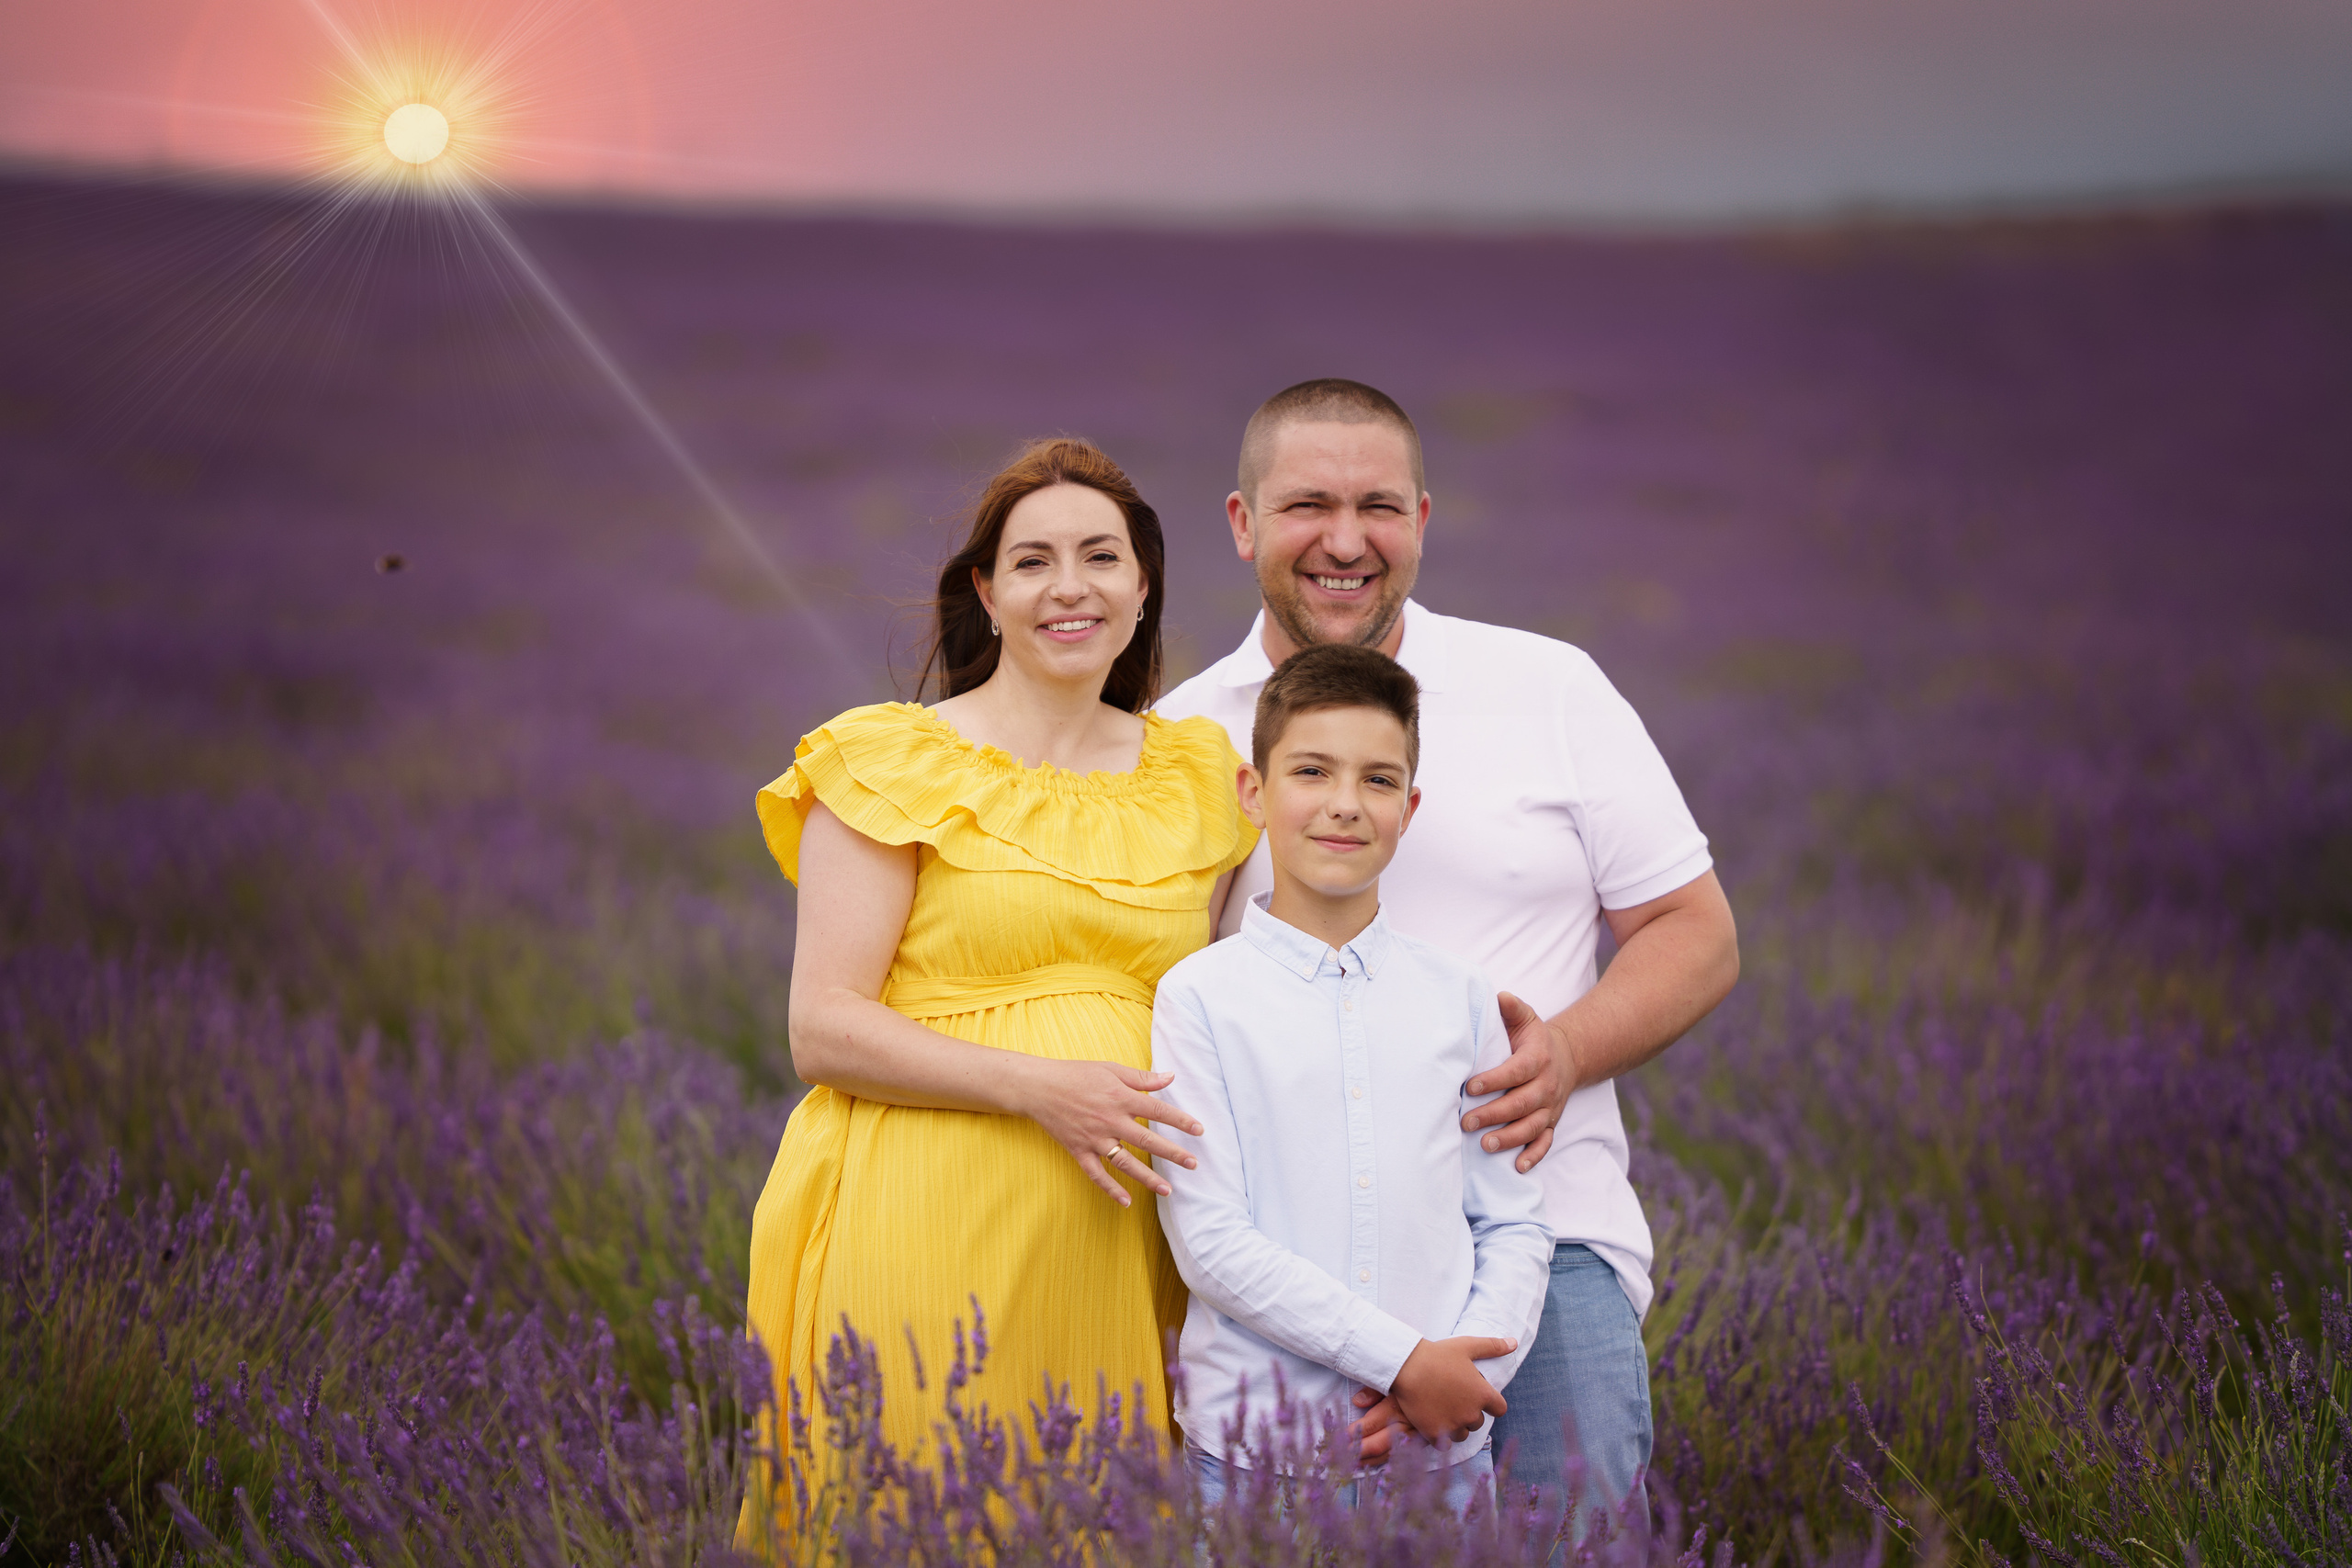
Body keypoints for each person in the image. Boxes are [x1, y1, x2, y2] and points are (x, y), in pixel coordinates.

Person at [1154, 380, 1740, 1532]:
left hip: (1541, 1247)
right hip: (1292, 1292)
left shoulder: (1548, 687)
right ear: (1241, 523)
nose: (1343, 540)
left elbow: (1697, 932)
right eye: (1305, 505)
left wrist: (1562, 1054)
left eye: (1377, 506)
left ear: (1422, 519)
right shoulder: (1181, 736)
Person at [737, 438, 1259, 1542]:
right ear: (987, 591)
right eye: (1032, 562)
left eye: (1100, 557)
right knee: (911, 1519)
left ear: (1143, 581)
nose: (1069, 587)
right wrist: (1041, 1089)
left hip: (1125, 1245)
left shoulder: (1205, 778)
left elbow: (1244, 1006)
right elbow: (823, 1028)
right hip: (920, 1210)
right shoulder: (891, 759)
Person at [1152, 642, 1553, 1517]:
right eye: (1311, 770)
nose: (1344, 804)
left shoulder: (1460, 997)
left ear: (1409, 808)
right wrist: (1402, 1361)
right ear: (1253, 794)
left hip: (1442, 1454)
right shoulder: (1200, 997)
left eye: (1378, 780)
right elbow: (1211, 1239)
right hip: (1258, 1453)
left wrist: (1457, 1381)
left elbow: (1513, 1222)